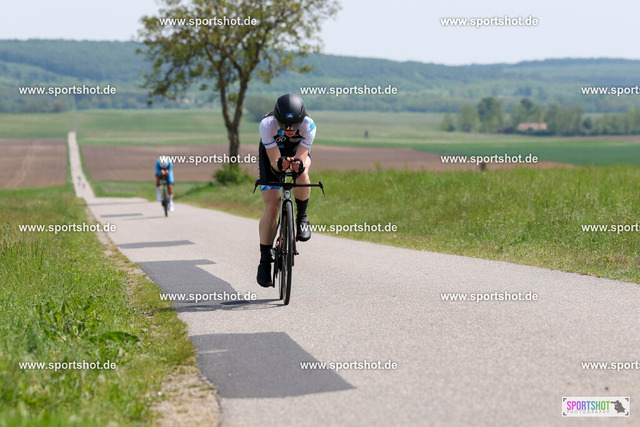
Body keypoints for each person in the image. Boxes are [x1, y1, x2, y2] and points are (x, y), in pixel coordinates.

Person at [256, 93, 316, 287]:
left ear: (302, 120)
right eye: (285, 126)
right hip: (273, 154)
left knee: (301, 171)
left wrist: (296, 164)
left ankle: (302, 217)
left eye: (294, 126)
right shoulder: (267, 125)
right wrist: (279, 163)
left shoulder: (309, 125)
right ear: (277, 119)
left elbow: (302, 156)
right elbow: (274, 161)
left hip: (297, 150)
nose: (290, 130)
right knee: (272, 206)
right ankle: (265, 259)